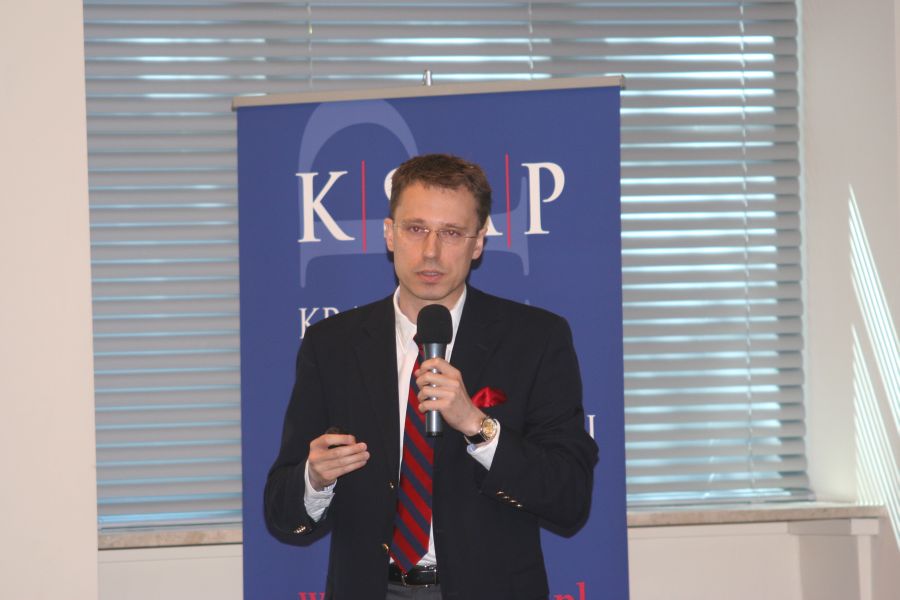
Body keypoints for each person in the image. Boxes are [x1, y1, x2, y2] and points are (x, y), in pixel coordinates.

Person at [264, 153, 598, 599]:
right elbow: (281, 511)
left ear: (478, 243)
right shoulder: (332, 345)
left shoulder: (535, 339)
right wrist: (315, 478)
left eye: (452, 233)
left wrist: (478, 426)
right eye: (416, 229)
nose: (431, 252)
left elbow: (570, 498)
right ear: (389, 233)